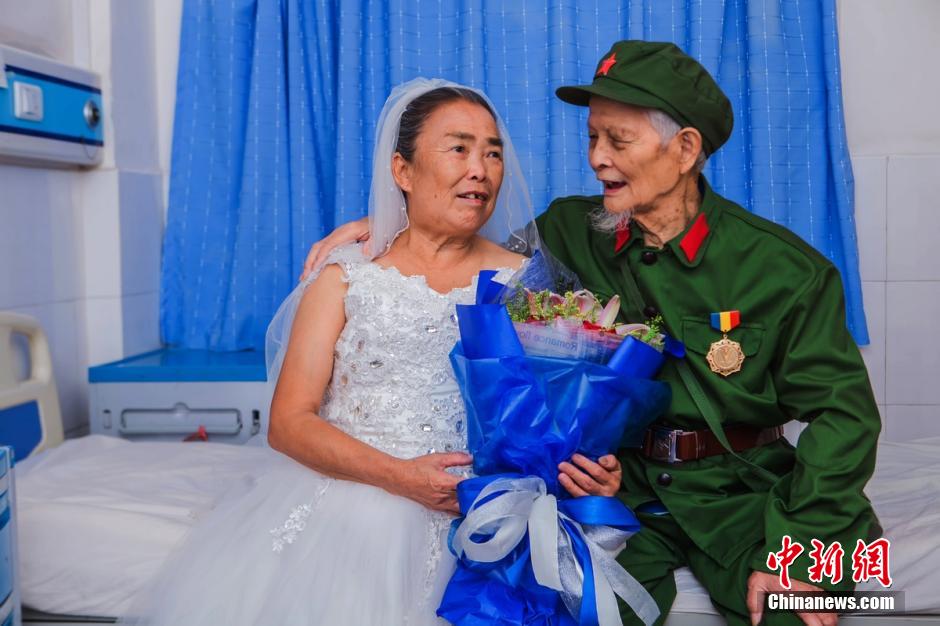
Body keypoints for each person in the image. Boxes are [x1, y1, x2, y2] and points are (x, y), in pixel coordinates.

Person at [304, 42, 882, 626]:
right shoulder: (569, 229)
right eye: (592, 138)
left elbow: (845, 417)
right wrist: (388, 221)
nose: (598, 158)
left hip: (745, 496)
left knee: (794, 613)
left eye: (618, 141)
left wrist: (802, 548)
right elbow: (463, 252)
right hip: (621, 493)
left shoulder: (784, 270)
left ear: (685, 149)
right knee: (568, 611)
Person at [119, 78, 621, 626]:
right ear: (402, 171)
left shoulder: (523, 281)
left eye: (493, 153)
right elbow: (288, 423)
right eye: (459, 149)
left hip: (481, 513)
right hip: (356, 498)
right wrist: (399, 477)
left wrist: (586, 466)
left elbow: (548, 411)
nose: (480, 169)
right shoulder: (346, 277)